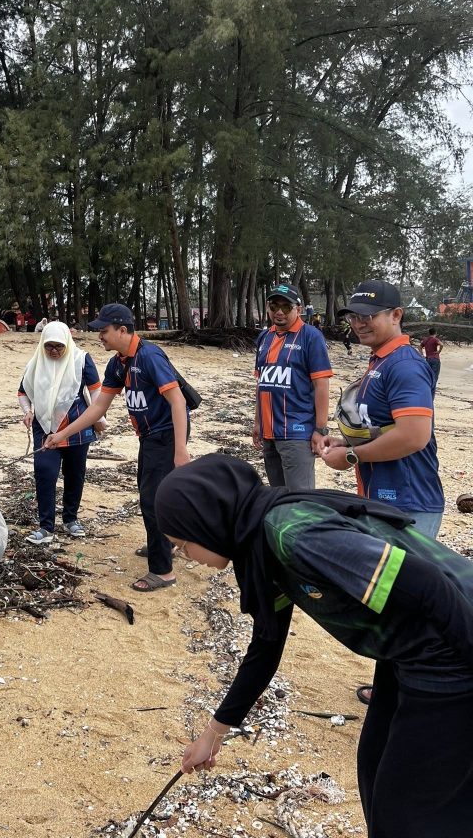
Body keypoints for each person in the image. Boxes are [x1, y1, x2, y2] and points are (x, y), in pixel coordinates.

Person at [155, 454, 473, 838]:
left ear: (207, 522)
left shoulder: (292, 534)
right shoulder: (260, 543)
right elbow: (266, 645)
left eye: (182, 542)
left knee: (410, 810)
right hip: (406, 649)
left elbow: (426, 584)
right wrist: (213, 734)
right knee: (374, 765)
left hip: (451, 648)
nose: (181, 554)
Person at [44, 303, 189, 592]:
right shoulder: (117, 364)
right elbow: (98, 407)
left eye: (104, 330)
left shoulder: (150, 357)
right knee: (153, 495)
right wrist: (61, 434)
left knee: (152, 500)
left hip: (166, 435)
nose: (100, 336)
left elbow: (178, 401)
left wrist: (181, 450)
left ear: (123, 330)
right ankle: (166, 543)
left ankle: (163, 572)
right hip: (148, 437)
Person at [323, 281, 443, 539]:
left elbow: (413, 436)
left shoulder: (404, 365)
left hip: (409, 504)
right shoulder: (380, 360)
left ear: (396, 315)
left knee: (399, 580)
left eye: (368, 315)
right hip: (380, 498)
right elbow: (381, 425)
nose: (358, 323)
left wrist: (351, 456)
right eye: (354, 316)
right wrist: (346, 442)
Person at [18, 322, 106, 544]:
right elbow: (23, 392)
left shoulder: (81, 360)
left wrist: (99, 420)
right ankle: (46, 526)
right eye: (49, 346)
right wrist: (28, 411)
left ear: (67, 342)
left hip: (77, 426)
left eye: (59, 346)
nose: (54, 351)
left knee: (75, 473)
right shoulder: (35, 363)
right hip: (45, 428)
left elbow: (96, 393)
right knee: (45, 472)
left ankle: (71, 519)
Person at [252, 283, 332, 489]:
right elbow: (261, 383)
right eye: (273, 306)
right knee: (278, 497)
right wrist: (258, 422)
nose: (279, 312)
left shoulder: (311, 337)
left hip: (297, 433)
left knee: (301, 502)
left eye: (286, 307)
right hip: (269, 434)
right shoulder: (264, 337)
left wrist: (320, 429)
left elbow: (322, 385)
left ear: (298, 308)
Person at [420, 326, 443, 392]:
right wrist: (439, 351)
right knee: (434, 377)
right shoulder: (435, 339)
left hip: (428, 359)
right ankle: (431, 392)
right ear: (435, 333)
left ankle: (427, 389)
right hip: (435, 359)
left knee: (428, 376)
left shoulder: (426, 340)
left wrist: (422, 354)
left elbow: (419, 347)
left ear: (429, 333)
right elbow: (441, 344)